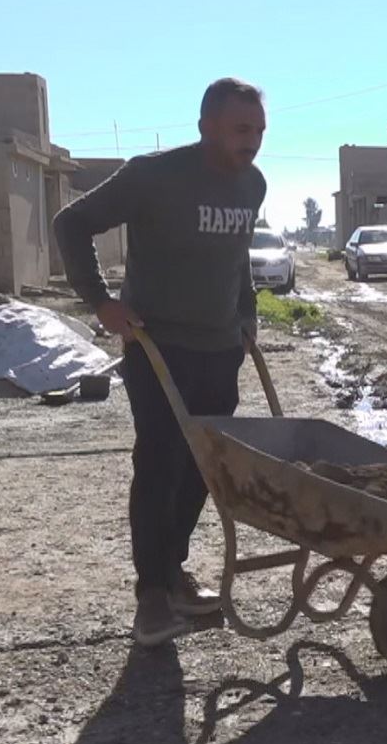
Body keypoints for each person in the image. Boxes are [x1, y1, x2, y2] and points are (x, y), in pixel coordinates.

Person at [55, 78, 267, 646]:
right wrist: (100, 301)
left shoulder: (252, 184)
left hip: (220, 349)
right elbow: (71, 224)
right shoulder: (153, 176)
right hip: (157, 345)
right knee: (159, 463)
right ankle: (151, 596)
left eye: (260, 131)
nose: (253, 142)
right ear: (206, 127)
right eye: (241, 129)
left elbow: (236, 256)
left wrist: (246, 311)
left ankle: (172, 572)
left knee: (205, 467)